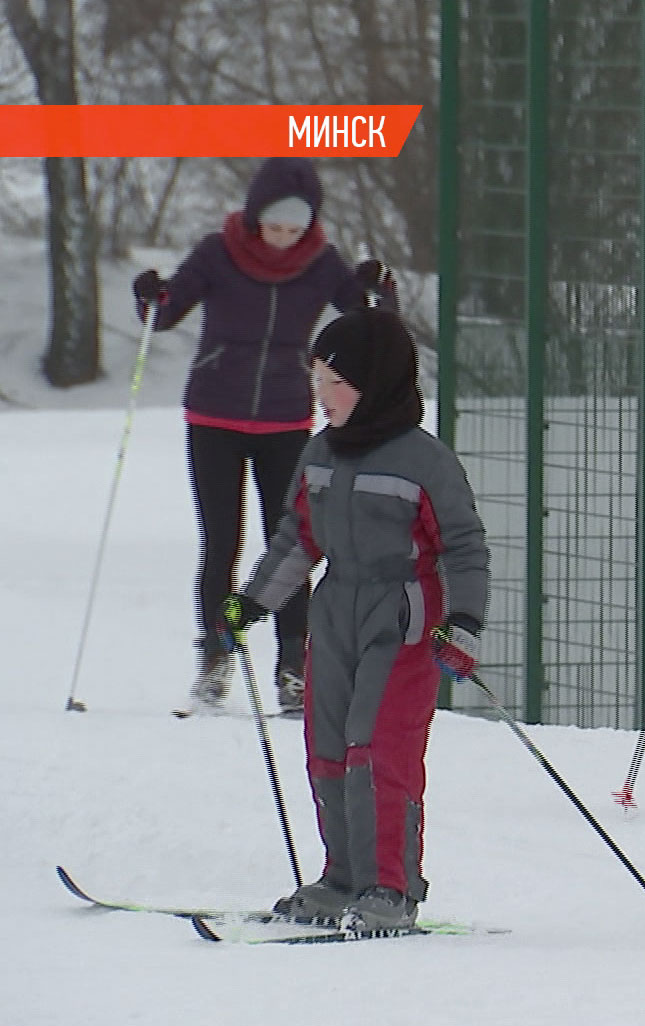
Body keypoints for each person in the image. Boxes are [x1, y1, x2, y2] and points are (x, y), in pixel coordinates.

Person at [221, 308, 488, 931]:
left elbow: (464, 548)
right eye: (317, 378)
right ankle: (342, 877)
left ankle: (390, 887)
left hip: (402, 620)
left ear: (374, 381)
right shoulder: (320, 454)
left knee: (378, 745)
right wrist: (254, 600)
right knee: (329, 742)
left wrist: (465, 620)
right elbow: (298, 537)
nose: (321, 393)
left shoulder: (425, 462)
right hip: (335, 610)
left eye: (334, 380)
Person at [134, 156, 398, 717]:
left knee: (291, 547)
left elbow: (365, 317)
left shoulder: (320, 261)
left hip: (284, 418)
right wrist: (151, 295)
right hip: (214, 416)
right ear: (255, 218)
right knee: (222, 542)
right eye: (274, 227)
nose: (282, 239)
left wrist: (374, 290)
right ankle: (214, 662)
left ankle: (293, 671)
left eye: (293, 229)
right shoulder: (218, 251)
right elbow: (165, 312)